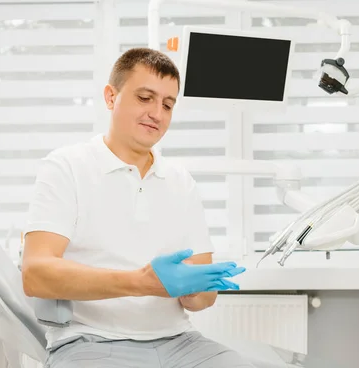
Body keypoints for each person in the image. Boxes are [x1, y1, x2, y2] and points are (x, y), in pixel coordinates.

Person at [21, 48, 251, 367]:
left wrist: (195, 288)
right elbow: (36, 274)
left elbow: (202, 299)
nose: (157, 113)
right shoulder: (66, 167)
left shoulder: (180, 181)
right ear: (111, 97)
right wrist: (140, 282)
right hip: (90, 341)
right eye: (145, 98)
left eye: (168, 104)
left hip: (179, 342)